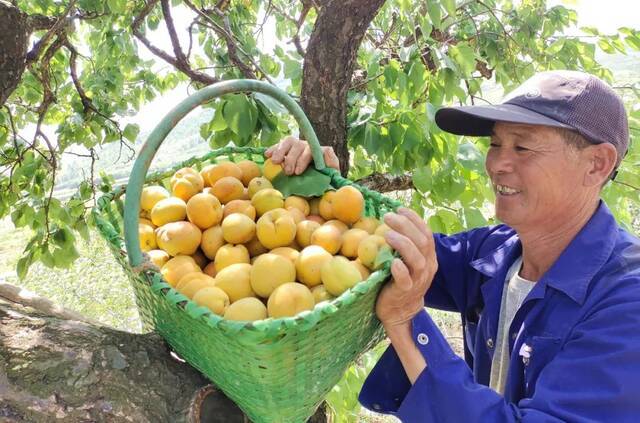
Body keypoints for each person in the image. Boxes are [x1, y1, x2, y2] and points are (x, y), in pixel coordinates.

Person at [266, 70, 640, 422]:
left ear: (597, 164)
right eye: (495, 143)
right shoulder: (495, 255)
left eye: (523, 147)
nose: (497, 164)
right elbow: (377, 250)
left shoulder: (626, 302)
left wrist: (405, 319)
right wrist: (323, 190)